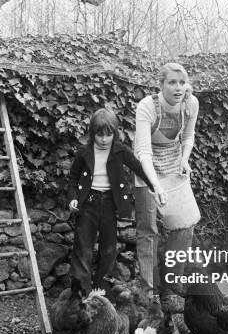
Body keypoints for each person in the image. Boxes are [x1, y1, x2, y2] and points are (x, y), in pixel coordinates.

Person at [67, 108, 160, 295]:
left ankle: (101, 292)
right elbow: (73, 178)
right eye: (99, 135)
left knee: (109, 251)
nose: (103, 139)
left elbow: (139, 168)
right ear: (92, 133)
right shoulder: (84, 152)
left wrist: (155, 186)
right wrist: (73, 198)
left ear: (114, 134)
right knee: (83, 249)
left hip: (109, 204)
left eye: (108, 135)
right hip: (88, 204)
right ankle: (81, 294)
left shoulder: (120, 151)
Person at [134, 62, 199, 305]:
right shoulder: (147, 107)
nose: (178, 87)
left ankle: (170, 289)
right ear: (161, 84)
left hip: (173, 163)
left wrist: (184, 159)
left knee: (185, 225)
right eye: (172, 82)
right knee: (148, 231)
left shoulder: (191, 104)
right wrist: (156, 186)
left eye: (182, 82)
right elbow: (142, 151)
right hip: (147, 169)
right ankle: (149, 294)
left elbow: (188, 136)